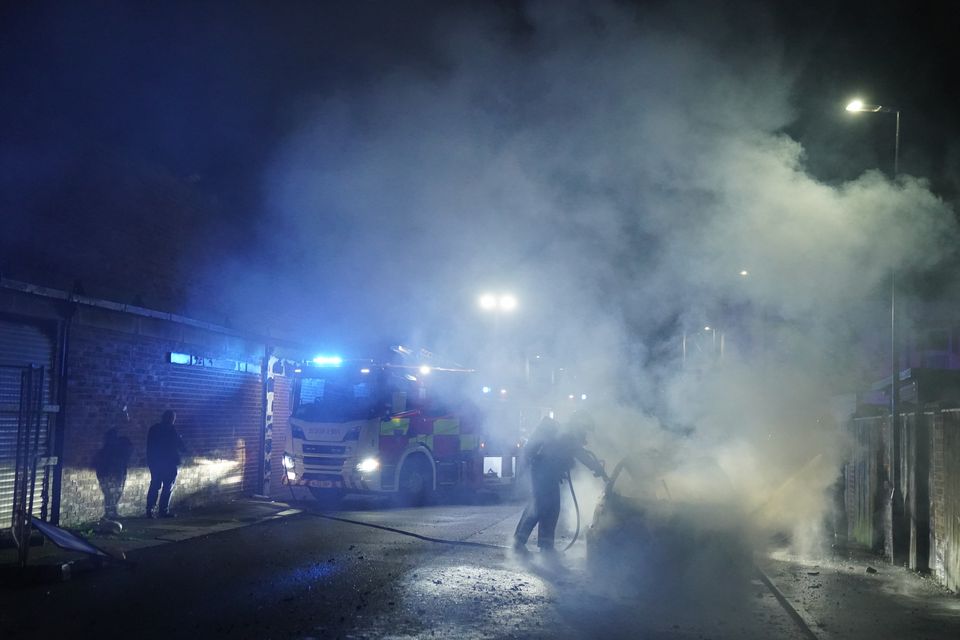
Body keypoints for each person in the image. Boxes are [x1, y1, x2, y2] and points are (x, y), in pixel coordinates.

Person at [513, 412, 608, 556]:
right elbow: (582, 455)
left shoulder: (566, 432)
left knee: (549, 508)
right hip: (543, 474)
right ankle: (520, 543)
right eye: (585, 429)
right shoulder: (569, 435)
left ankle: (545, 546)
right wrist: (598, 469)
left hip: (546, 473)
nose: (585, 434)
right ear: (580, 424)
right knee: (540, 507)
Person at [145, 409, 187, 518]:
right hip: (169, 463)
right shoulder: (172, 430)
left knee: (155, 485)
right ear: (171, 419)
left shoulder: (154, 429)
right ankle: (163, 511)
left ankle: (150, 510)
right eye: (173, 418)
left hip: (156, 462)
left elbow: (149, 447)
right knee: (167, 487)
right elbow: (180, 445)